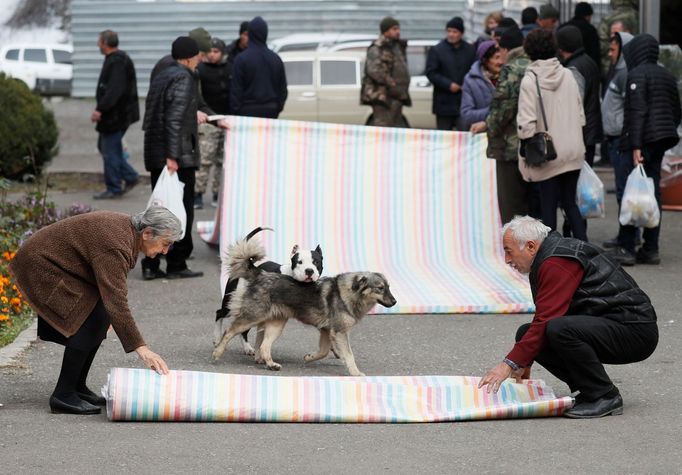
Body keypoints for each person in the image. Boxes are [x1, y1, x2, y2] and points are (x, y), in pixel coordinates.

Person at [479, 216, 658, 418]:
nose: (507, 260)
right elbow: (543, 319)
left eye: (508, 251)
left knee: (558, 328)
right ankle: (590, 391)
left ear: (530, 246)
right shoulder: (547, 257)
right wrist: (524, 362)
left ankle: (604, 395)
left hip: (635, 330)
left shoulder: (556, 261)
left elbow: (546, 321)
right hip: (614, 324)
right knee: (526, 332)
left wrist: (508, 365)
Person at [8, 207, 180, 414]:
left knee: (99, 316)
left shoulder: (126, 235)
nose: (165, 251)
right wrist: (141, 348)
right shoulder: (116, 245)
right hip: (40, 266)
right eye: (165, 243)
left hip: (61, 265)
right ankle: (63, 395)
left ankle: (77, 387)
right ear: (147, 233)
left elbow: (111, 297)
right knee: (86, 320)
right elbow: (116, 299)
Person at [609, 34, 682, 266]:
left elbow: (637, 112)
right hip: (661, 140)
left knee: (631, 191)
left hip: (641, 142)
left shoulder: (636, 75)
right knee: (652, 191)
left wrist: (636, 146)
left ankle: (627, 247)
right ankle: (651, 247)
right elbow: (676, 110)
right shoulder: (667, 75)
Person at [142, 36, 206, 280]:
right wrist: (173, 156)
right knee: (179, 210)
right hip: (175, 156)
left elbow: (154, 116)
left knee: (159, 210)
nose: (199, 61)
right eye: (197, 56)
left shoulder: (162, 75)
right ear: (189, 58)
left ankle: (151, 263)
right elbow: (174, 119)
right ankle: (176, 263)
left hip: (156, 152)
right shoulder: (183, 77)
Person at [516, 29, 587, 241]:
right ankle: (587, 253)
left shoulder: (530, 81)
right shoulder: (568, 74)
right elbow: (581, 115)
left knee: (548, 210)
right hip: (573, 149)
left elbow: (527, 125)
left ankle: (550, 258)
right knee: (570, 203)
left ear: (529, 51)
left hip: (549, 152)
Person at [483, 27, 538, 223]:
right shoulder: (536, 64)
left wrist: (488, 125)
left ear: (505, 49)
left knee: (511, 207)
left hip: (510, 146)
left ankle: (516, 252)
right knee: (533, 204)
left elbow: (502, 109)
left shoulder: (512, 69)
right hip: (536, 146)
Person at [91, 30, 140, 200]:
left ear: (105, 42)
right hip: (116, 114)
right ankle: (129, 176)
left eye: (99, 40)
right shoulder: (116, 60)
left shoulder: (117, 61)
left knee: (109, 151)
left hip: (115, 116)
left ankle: (115, 186)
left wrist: (100, 109)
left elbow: (114, 90)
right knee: (107, 148)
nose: (97, 44)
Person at [599, 31, 635, 257]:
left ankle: (628, 241)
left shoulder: (626, 74)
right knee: (622, 191)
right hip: (615, 138)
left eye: (613, 49)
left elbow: (630, 108)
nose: (610, 54)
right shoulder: (619, 72)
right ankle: (624, 236)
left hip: (621, 140)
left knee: (624, 192)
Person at [556, 25, 603, 169]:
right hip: (589, 131)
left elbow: (575, 103)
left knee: (577, 183)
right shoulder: (588, 61)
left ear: (561, 46)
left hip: (581, 134)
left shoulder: (573, 68)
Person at [195, 37, 231, 210]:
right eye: (210, 51)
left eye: (216, 51)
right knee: (205, 160)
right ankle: (198, 194)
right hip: (208, 121)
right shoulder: (200, 69)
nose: (212, 55)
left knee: (220, 161)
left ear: (222, 53)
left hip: (226, 121)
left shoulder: (229, 68)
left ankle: (218, 193)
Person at [230, 16, 288, 118]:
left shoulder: (241, 59)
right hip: (271, 111)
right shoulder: (275, 59)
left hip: (246, 112)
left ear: (250, 33)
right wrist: (277, 106)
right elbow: (283, 89)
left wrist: (237, 111)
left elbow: (236, 90)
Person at [425, 16, 476, 131]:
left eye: (455, 31)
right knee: (444, 138)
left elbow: (474, 71)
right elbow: (431, 72)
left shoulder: (470, 50)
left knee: (464, 137)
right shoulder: (437, 50)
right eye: (449, 31)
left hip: (464, 103)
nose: (451, 34)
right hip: (444, 103)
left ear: (461, 33)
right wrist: (448, 85)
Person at [360, 16, 411, 127]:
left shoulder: (397, 47)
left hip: (397, 96)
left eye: (398, 29)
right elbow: (374, 70)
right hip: (383, 97)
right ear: (385, 31)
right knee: (383, 128)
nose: (398, 32)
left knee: (395, 128)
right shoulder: (377, 48)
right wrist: (391, 83)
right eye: (394, 29)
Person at [460, 40, 504, 132]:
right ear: (485, 60)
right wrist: (494, 110)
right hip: (483, 135)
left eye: (502, 57)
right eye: (496, 58)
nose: (501, 62)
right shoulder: (471, 80)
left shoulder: (509, 77)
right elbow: (467, 114)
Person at [563, 2, 601, 68]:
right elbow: (595, 53)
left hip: (565, 66)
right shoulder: (590, 29)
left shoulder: (564, 27)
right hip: (585, 66)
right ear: (587, 16)